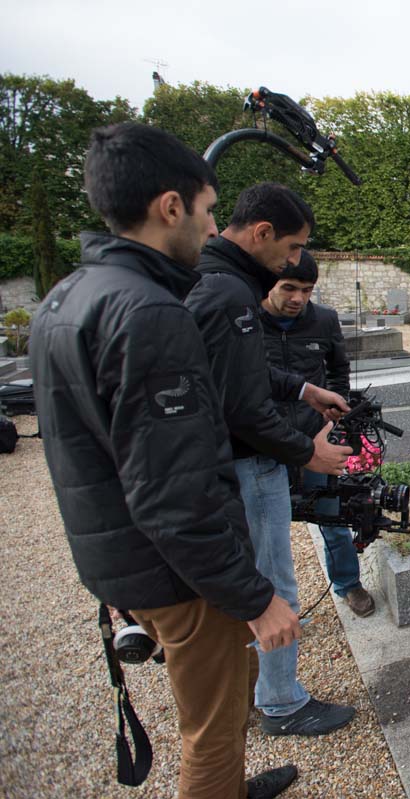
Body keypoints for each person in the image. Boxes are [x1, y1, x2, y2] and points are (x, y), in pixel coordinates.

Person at [31, 123, 301, 799]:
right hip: (177, 573)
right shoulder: (149, 311)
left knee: (216, 707)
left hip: (123, 558)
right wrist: (254, 596)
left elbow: (88, 453)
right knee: (212, 727)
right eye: (209, 209)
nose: (213, 229)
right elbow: (175, 495)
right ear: (170, 207)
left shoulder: (67, 297)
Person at [186, 183, 357, 737]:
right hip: (248, 462)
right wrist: (310, 449)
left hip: (222, 461)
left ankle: (252, 692)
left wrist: (305, 391)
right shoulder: (230, 292)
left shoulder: (208, 280)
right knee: (273, 581)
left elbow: (241, 373)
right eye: (291, 250)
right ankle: (281, 701)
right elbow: (242, 405)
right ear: (262, 234)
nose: (293, 263)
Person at [260, 250, 376, 617]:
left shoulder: (323, 320)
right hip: (263, 440)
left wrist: (333, 419)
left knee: (332, 516)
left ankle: (348, 584)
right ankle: (271, 606)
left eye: (307, 290)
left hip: (317, 439)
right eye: (289, 288)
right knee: (263, 532)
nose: (297, 299)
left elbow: (338, 369)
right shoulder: (247, 321)